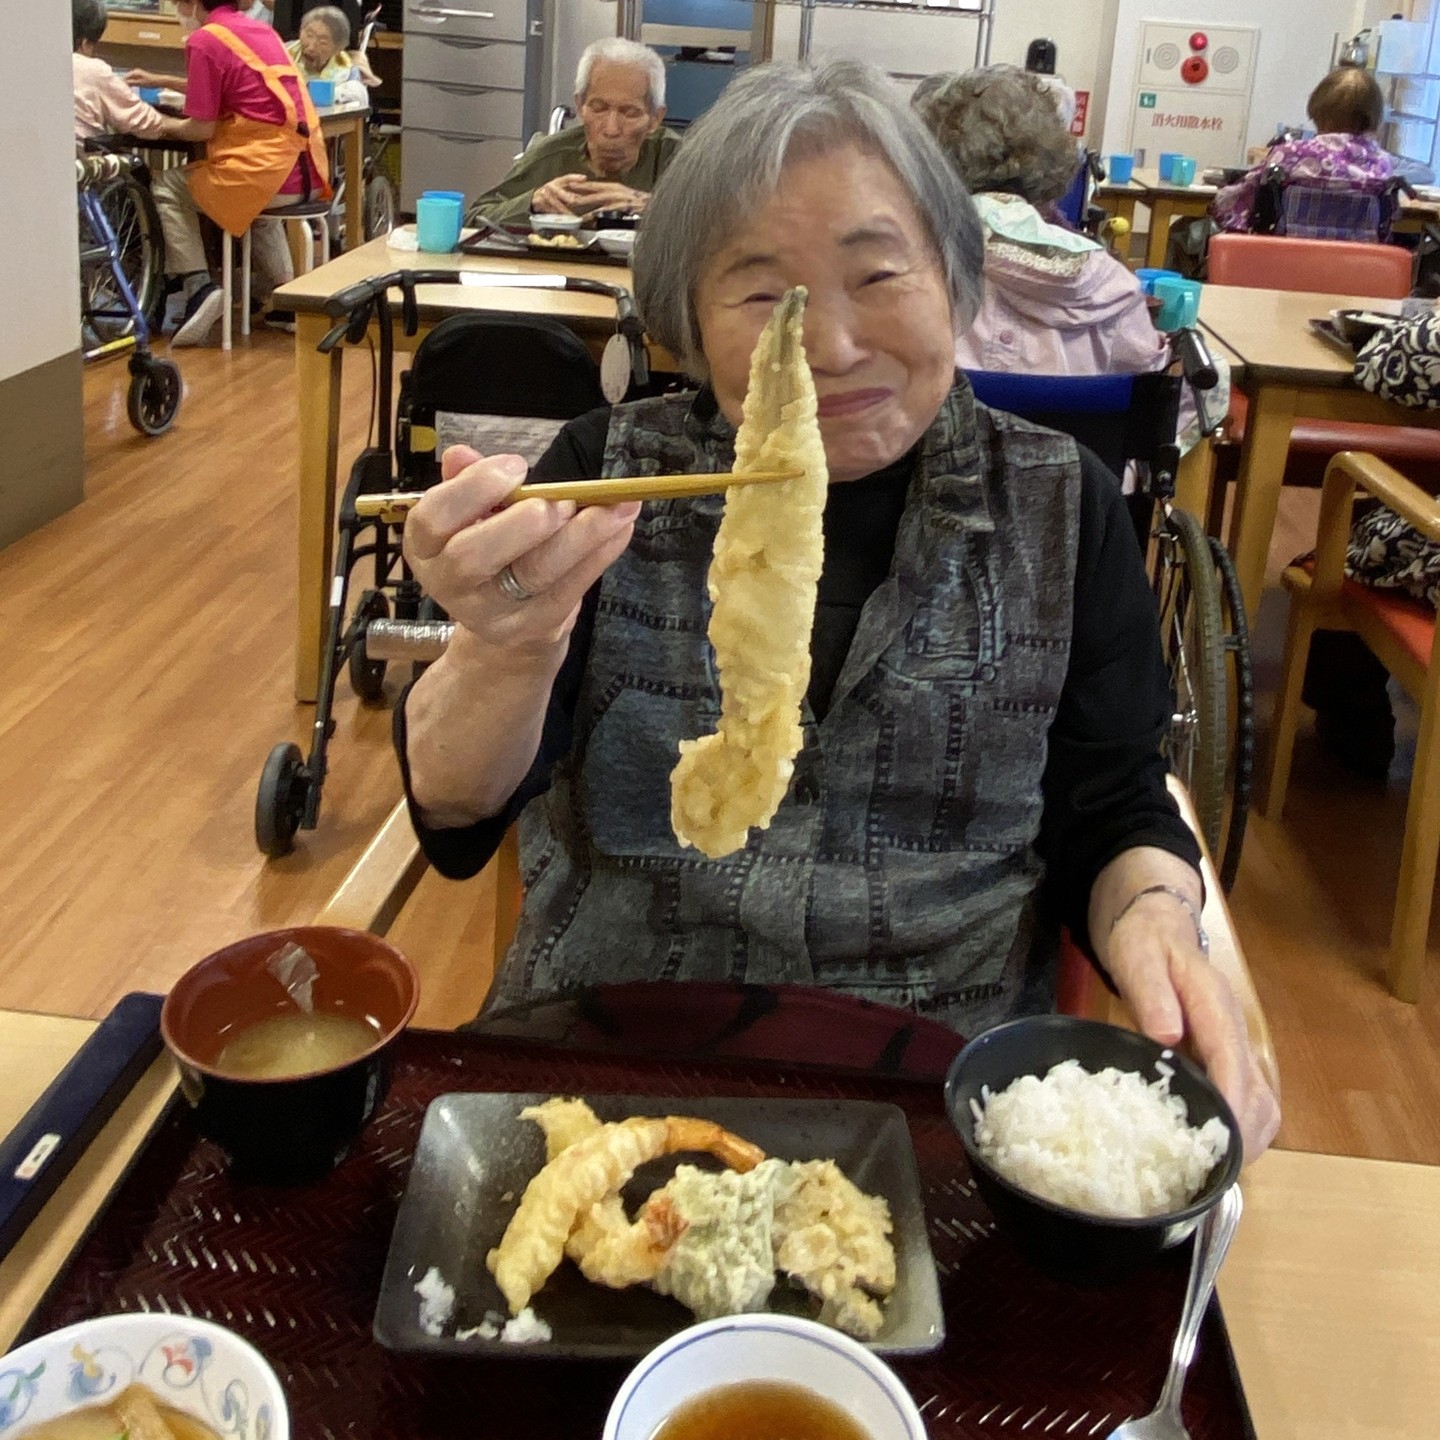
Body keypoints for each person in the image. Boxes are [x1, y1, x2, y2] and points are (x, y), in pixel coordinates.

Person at [393, 60, 1279, 1161]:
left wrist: (1161, 926)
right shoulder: (603, 481)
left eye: (878, 274)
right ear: (687, 318)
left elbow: (1115, 805)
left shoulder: (1062, 507)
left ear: (956, 282)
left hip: (936, 1095)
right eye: (764, 295)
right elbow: (457, 817)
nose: (832, 346)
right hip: (608, 1067)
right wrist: (504, 643)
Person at [914, 66, 1166, 377]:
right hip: (1076, 427)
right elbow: (1160, 406)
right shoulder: (1114, 289)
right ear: (1054, 158)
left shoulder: (905, 270)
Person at [146, 0, 331, 347]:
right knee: (259, 213)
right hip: (307, 169)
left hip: (267, 174)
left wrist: (160, 124)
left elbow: (201, 128)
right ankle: (286, 298)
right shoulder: (261, 31)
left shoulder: (205, 39)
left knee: (168, 186)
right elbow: (232, 83)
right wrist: (159, 79)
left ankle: (198, 286)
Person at [465, 38, 680, 226]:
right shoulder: (551, 155)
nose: (611, 129)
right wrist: (530, 203)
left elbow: (713, 228)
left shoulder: (678, 159)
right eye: (598, 108)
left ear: (655, 118)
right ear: (579, 106)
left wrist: (653, 208)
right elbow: (473, 220)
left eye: (630, 113)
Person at [1211, 67, 1392, 233]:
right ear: (1374, 117)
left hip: (1286, 261)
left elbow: (1238, 198)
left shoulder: (1291, 154)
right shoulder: (1382, 162)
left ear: (1321, 114)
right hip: (1357, 264)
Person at [72, 0, 188, 144]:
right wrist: (187, 127)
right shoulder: (92, 69)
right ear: (84, 43)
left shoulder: (39, 62)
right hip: (80, 160)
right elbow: (143, 121)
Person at [286, 5, 378, 86]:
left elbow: (357, 101)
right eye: (309, 35)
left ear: (337, 49)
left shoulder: (347, 72)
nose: (311, 47)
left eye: (323, 42)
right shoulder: (282, 52)